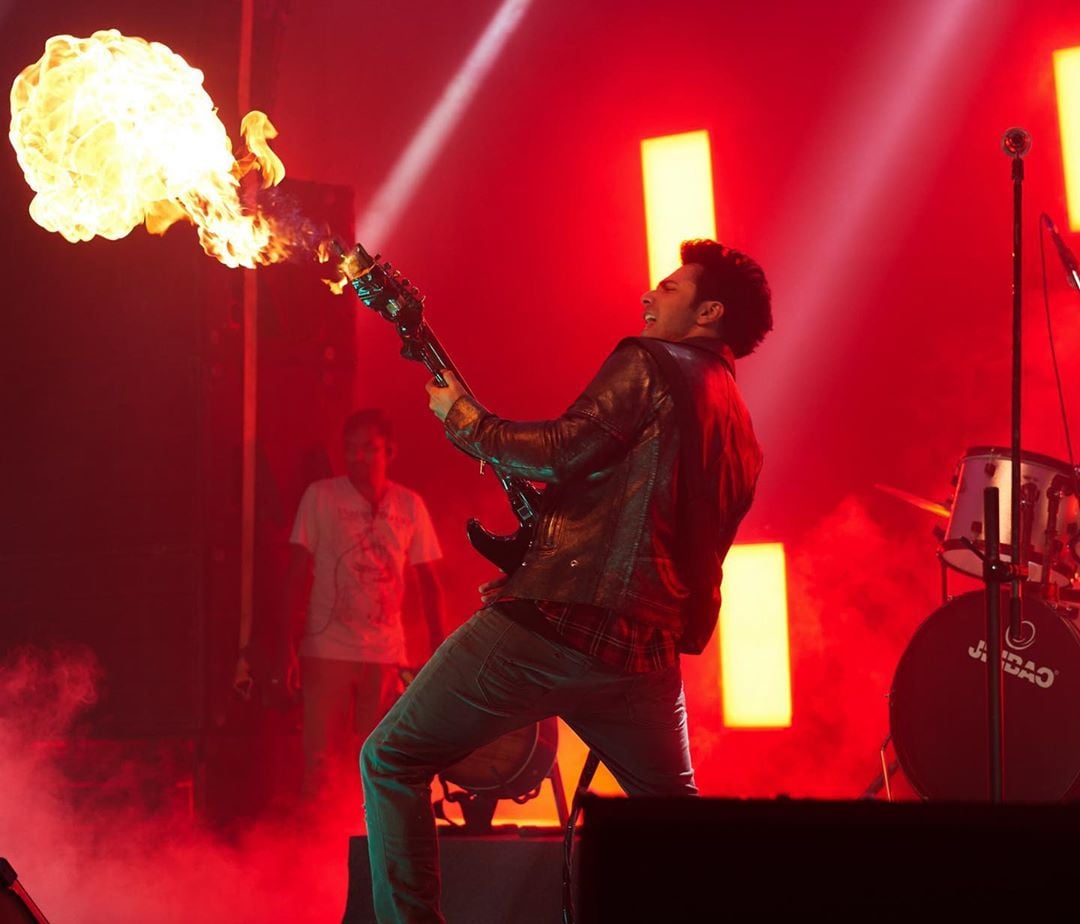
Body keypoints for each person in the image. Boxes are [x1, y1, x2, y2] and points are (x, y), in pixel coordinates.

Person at [360, 239, 772, 922]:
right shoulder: (740, 423)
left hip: (560, 621)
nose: (649, 296)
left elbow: (559, 452)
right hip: (645, 655)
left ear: (710, 312)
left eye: (669, 289)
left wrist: (469, 424)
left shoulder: (650, 363)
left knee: (392, 758)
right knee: (682, 826)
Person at [286, 408, 445, 805]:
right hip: (327, 649)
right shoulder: (321, 496)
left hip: (385, 652)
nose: (358, 457)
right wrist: (285, 643)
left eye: (369, 449)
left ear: (389, 451)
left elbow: (430, 584)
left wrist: (442, 652)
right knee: (320, 760)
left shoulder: (409, 505)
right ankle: (314, 843)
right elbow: (295, 574)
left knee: (378, 759)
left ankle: (365, 838)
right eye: (351, 448)